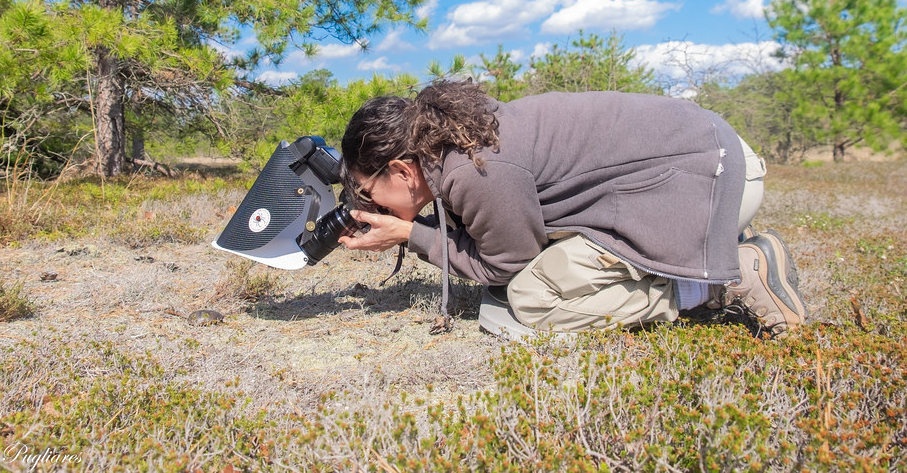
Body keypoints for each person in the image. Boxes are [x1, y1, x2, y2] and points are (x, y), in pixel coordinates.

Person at [337, 79, 807, 338]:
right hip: (712, 158)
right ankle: (710, 247)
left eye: (367, 191)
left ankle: (726, 278)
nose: (369, 203)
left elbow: (506, 266)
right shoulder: (460, 140)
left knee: (535, 298)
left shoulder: (474, 171)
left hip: (711, 180)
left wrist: (409, 235)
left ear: (402, 170)